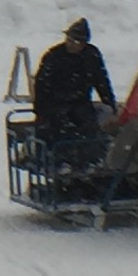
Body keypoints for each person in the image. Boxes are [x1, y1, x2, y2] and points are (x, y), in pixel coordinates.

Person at [32, 17, 117, 166]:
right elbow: (41, 86)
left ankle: (89, 161)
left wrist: (110, 104)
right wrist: (41, 111)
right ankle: (61, 161)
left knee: (88, 125)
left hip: (81, 103)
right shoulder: (54, 56)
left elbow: (102, 81)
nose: (72, 44)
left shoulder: (91, 55)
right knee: (59, 126)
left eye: (77, 42)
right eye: (70, 40)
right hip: (55, 104)